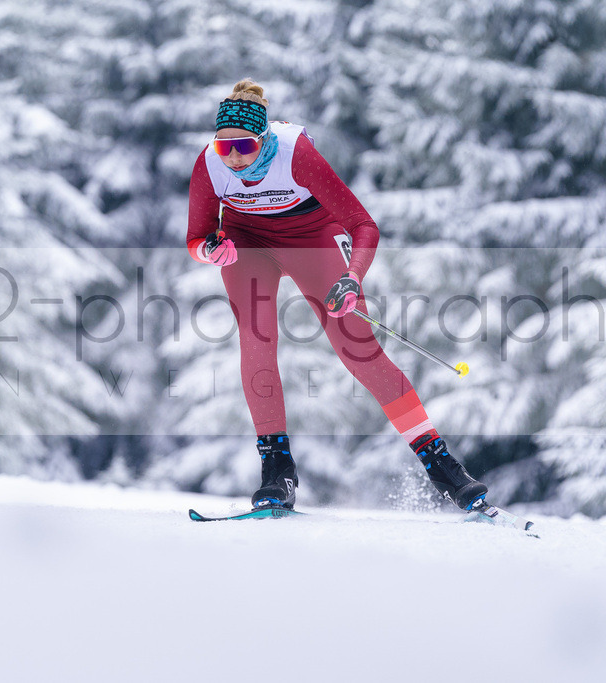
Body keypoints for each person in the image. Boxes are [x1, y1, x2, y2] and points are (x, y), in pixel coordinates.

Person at [186, 78, 487, 512]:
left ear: (264, 139)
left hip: (311, 236)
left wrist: (352, 277)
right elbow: (196, 239)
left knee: (358, 348)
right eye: (223, 146)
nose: (233, 157)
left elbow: (364, 225)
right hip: (247, 242)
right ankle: (277, 469)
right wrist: (211, 250)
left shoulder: (296, 155)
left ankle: (441, 465)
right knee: (256, 339)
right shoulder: (209, 164)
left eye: (244, 146)